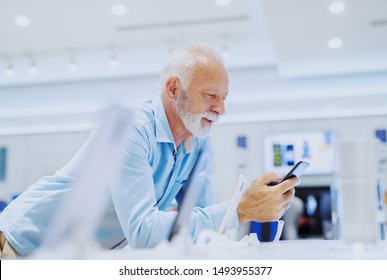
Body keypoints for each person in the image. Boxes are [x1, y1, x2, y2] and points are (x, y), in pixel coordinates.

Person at [0, 42, 298, 258]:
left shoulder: (199, 142)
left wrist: (241, 217)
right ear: (172, 89)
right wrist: (241, 208)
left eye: (224, 98)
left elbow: (206, 228)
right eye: (211, 96)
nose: (221, 109)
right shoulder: (132, 130)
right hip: (21, 245)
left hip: (69, 258)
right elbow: (143, 233)